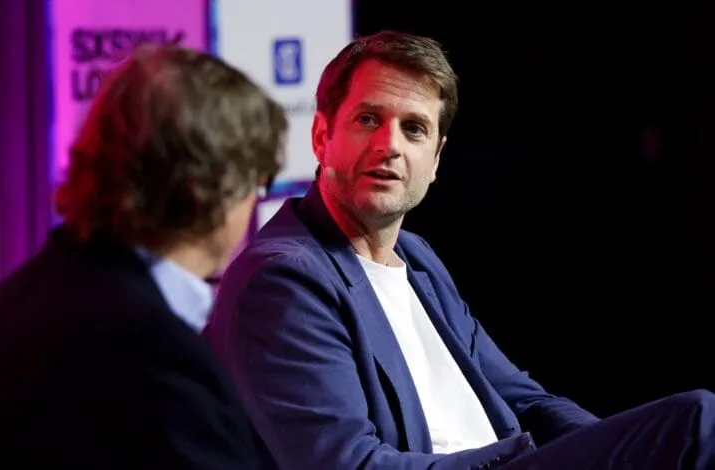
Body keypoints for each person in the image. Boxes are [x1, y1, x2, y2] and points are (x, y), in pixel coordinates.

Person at [203, 30, 714, 470]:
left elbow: (525, 400)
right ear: (321, 136)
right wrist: (527, 457)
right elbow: (350, 464)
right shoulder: (285, 279)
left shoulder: (417, 259)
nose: (390, 145)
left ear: (436, 160)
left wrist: (616, 448)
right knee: (697, 419)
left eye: (414, 129)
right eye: (368, 119)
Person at [0, 44, 286, 469]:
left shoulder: (19, 296)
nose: (253, 205)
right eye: (256, 184)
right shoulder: (151, 351)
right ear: (203, 192)